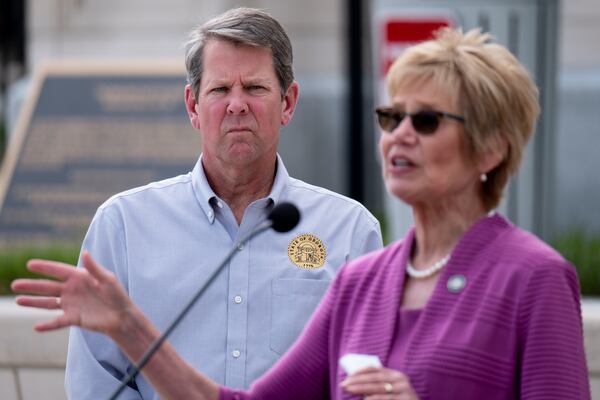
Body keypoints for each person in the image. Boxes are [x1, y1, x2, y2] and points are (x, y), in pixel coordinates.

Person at [13, 27, 590, 399]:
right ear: (193, 104)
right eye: (392, 118)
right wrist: (129, 327)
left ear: (492, 149)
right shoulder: (368, 280)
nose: (399, 137)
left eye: (428, 121)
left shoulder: (533, 277)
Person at [17, 7, 383, 399]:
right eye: (220, 89)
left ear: (288, 103)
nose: (237, 104)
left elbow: (363, 377)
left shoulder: (349, 231)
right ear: (193, 105)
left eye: (255, 88)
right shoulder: (123, 225)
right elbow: (97, 384)